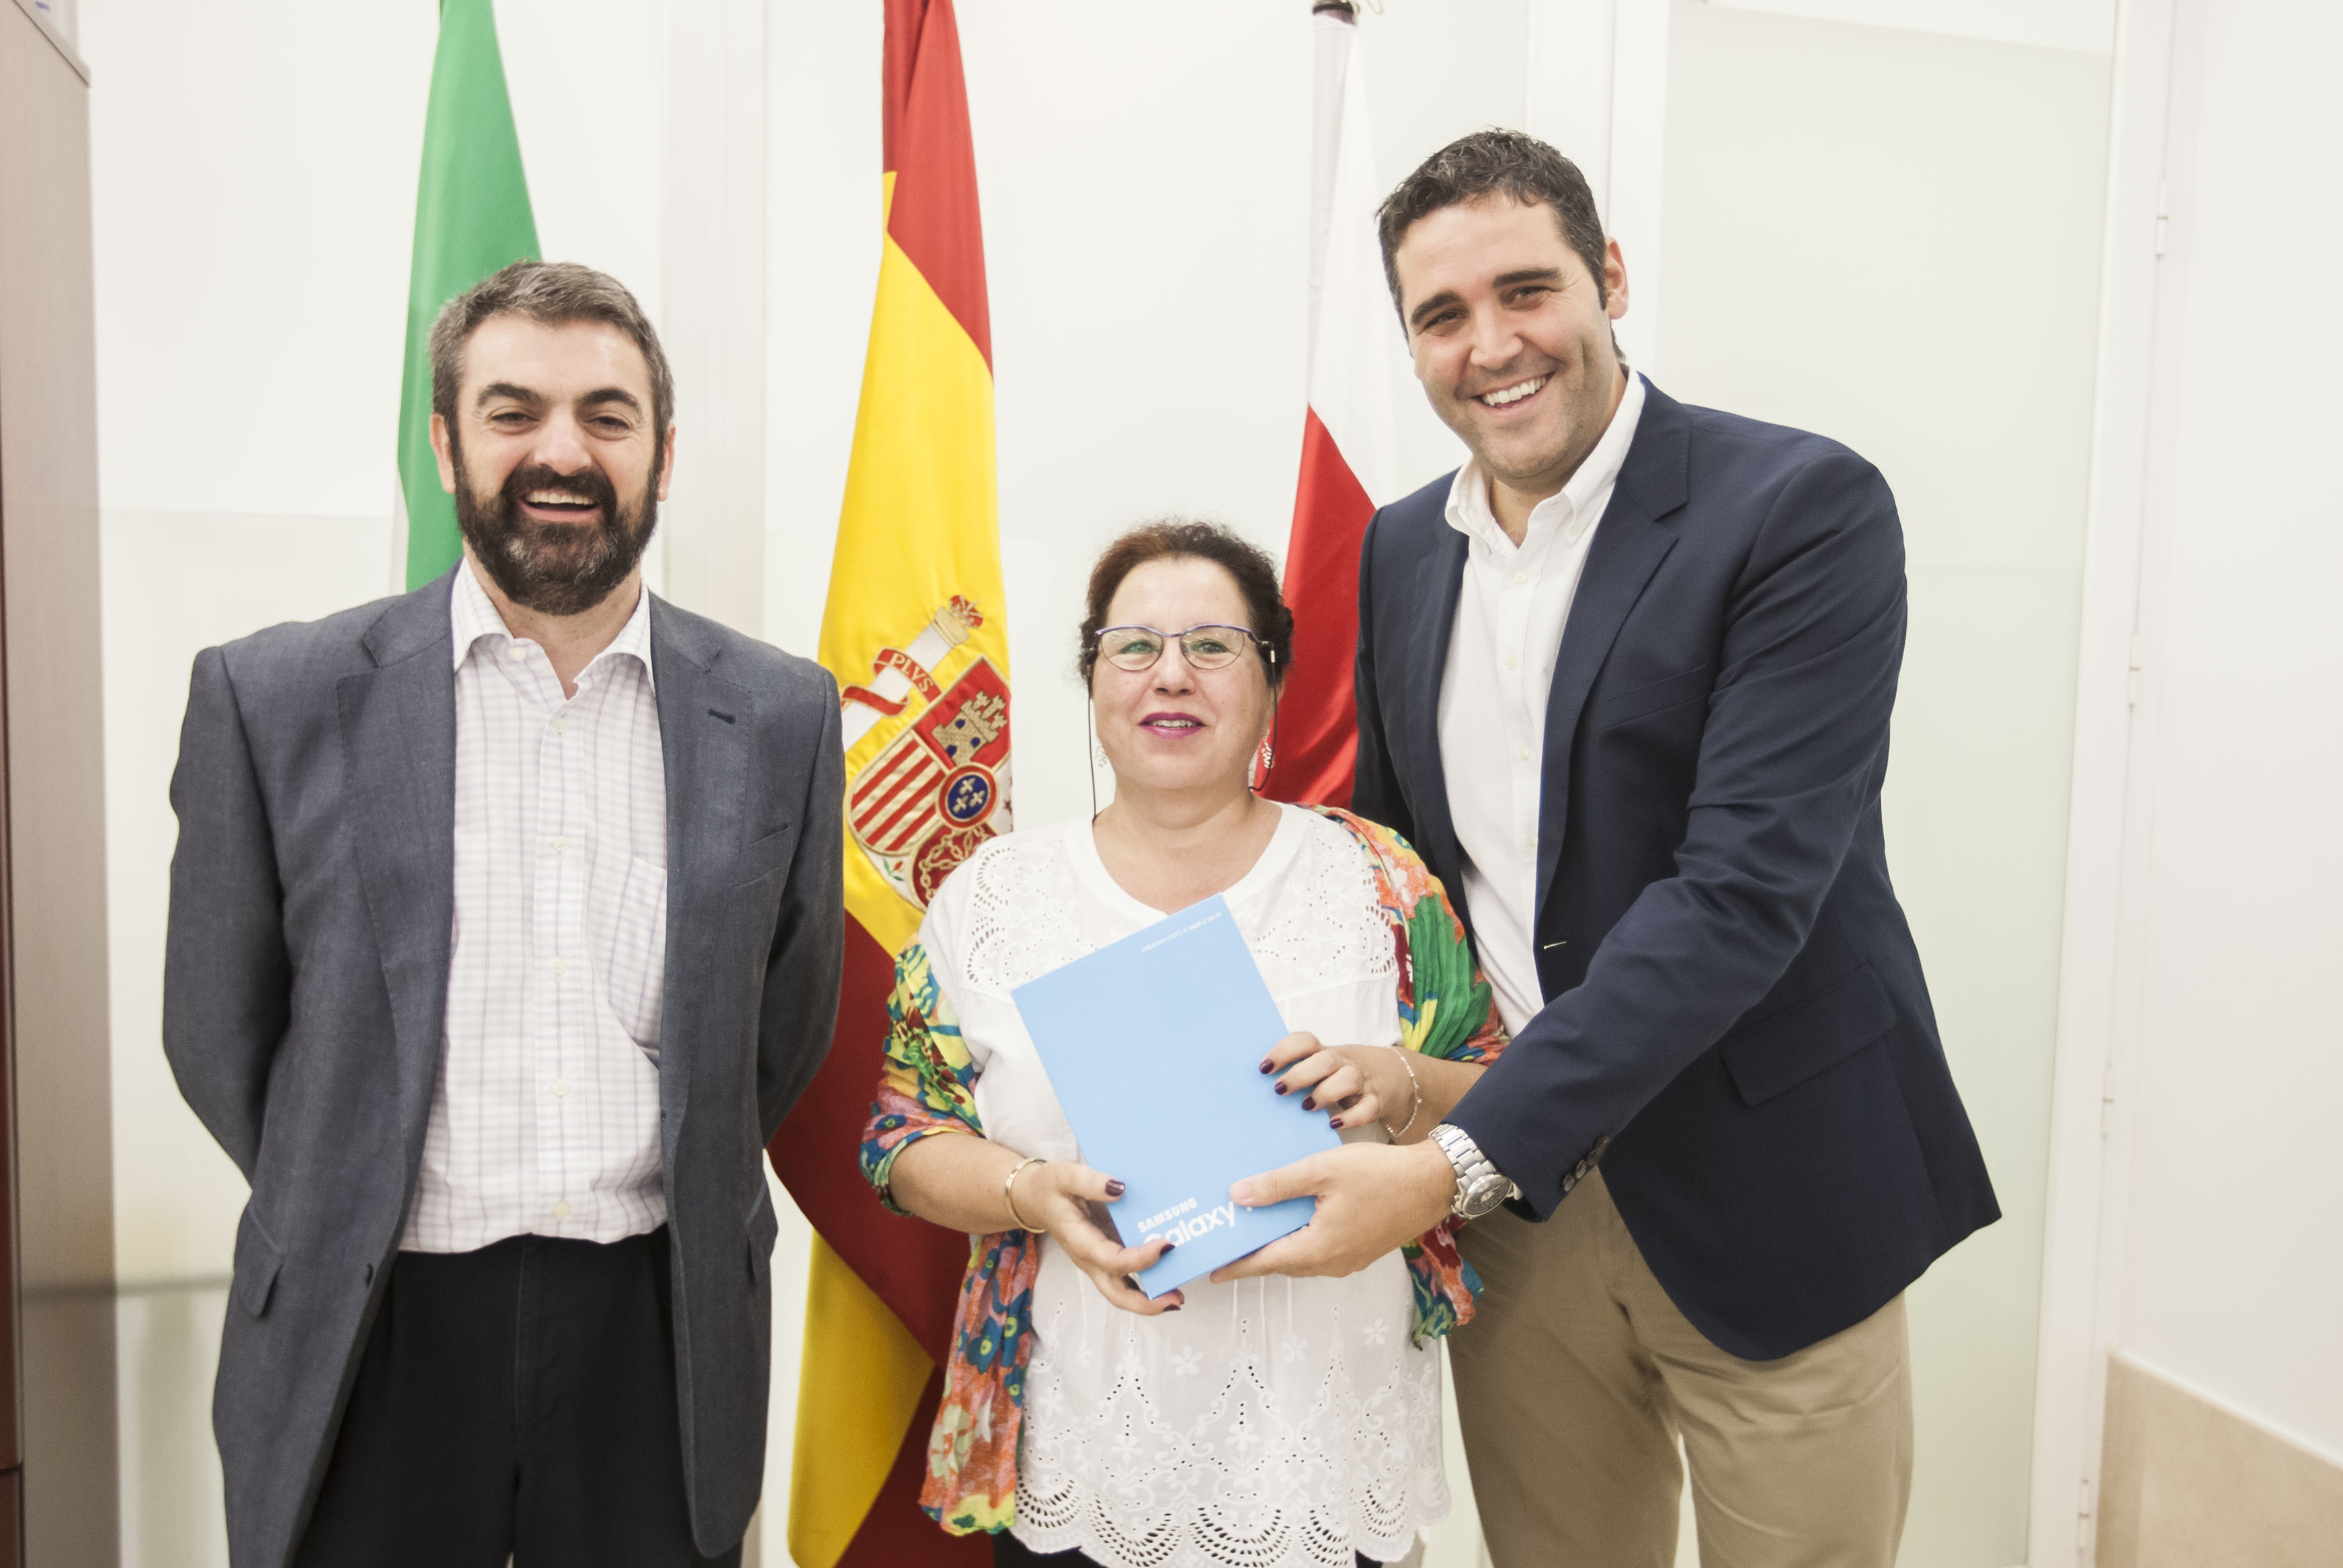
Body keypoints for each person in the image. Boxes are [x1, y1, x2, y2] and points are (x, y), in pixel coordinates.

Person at [1217, 131, 2001, 1568]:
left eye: (1527, 290)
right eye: (1442, 315)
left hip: (1769, 1187)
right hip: (1515, 1208)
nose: (1491, 346)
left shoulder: (1801, 508)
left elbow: (1739, 896)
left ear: (1610, 277)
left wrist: (1449, 1162)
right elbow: (1399, 873)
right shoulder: (1400, 550)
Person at [163, 260, 844, 1568]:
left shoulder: (778, 714)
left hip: (657, 1334)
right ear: (445, 442)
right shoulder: (274, 696)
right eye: (513, 410)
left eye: (606, 415)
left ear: (663, 451)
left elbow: (783, 1026)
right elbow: (216, 1030)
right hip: (371, 1329)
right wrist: (344, 1172)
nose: (561, 452)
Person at [858, 521, 1508, 1568]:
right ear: (1092, 678)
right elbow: (901, 1138)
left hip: (1328, 1454)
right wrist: (1031, 1193)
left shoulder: (1377, 880)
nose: (1172, 675)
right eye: (1134, 646)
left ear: (1272, 679)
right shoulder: (990, 898)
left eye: (1213, 645)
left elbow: (1506, 1098)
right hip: (1081, 1445)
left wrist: (1396, 1080)